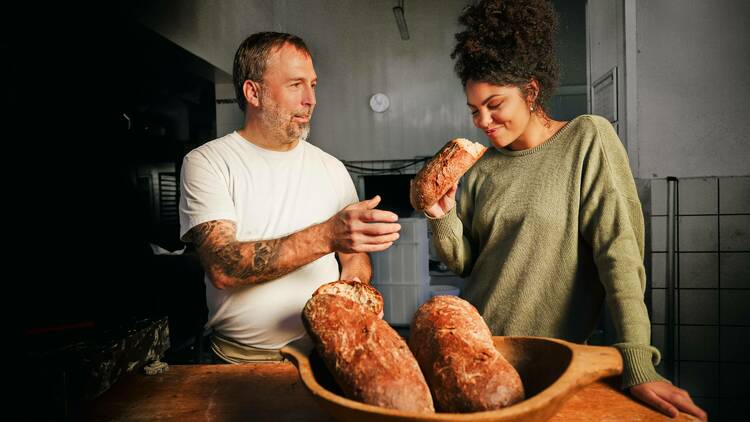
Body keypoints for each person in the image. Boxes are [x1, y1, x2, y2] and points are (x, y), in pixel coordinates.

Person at [423, 1, 707, 420]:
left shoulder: (587, 139)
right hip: (478, 353)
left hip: (552, 361)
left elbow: (619, 257)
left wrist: (638, 363)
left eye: (495, 104)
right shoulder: (480, 169)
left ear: (532, 92)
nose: (483, 120)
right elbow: (467, 264)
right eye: (474, 109)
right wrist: (441, 214)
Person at [178, 32, 400, 363]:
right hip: (239, 364)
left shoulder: (332, 168)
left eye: (313, 84)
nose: (311, 98)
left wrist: (352, 286)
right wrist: (328, 234)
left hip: (324, 357)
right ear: (253, 92)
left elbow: (354, 257)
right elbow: (223, 267)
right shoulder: (208, 162)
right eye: (296, 85)